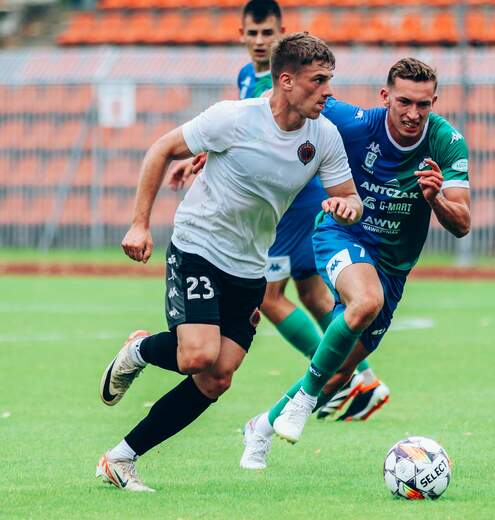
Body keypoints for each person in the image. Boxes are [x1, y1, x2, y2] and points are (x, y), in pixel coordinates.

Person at [95, 32, 363, 492]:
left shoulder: (324, 136)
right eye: (318, 81)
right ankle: (140, 350)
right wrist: (140, 224)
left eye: (329, 80)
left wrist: (347, 208)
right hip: (198, 247)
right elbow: (161, 149)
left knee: (217, 378)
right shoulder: (233, 118)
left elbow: (349, 197)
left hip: (250, 267)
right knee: (197, 355)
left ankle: (120, 459)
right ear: (286, 81)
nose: (327, 91)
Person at [240, 57, 471, 470]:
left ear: (434, 102)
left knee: (337, 374)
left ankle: (261, 427)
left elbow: (463, 224)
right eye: (404, 102)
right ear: (385, 97)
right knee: (365, 301)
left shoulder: (446, 141)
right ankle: (305, 401)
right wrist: (219, 150)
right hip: (342, 234)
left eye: (423, 104)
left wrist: (435, 199)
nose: (413, 113)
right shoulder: (355, 123)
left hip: (393, 268)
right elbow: (293, 101)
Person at [170, 0, 390, 422]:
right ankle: (361, 377)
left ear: (281, 35)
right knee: (311, 294)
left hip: (290, 204)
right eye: (252, 34)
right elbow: (246, 139)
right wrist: (201, 157)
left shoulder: (285, 83)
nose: (259, 41)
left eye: (267, 34)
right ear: (241, 35)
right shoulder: (246, 76)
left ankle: (340, 376)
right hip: (291, 199)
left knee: (270, 298)